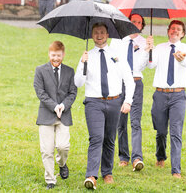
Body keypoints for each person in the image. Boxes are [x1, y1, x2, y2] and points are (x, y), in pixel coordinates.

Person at [74, 23, 135, 190]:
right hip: (94, 102)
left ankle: (107, 173)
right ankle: (91, 176)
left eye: (102, 32)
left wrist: (128, 100)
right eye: (95, 33)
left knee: (109, 139)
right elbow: (78, 82)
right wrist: (81, 63)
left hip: (115, 101)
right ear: (92, 35)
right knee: (96, 138)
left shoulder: (117, 55)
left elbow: (129, 79)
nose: (99, 35)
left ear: (107, 34)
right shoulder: (88, 55)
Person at [144, 20, 186, 179]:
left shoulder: (185, 48)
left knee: (176, 132)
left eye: (178, 29)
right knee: (161, 130)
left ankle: (176, 169)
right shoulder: (160, 48)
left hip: (178, 95)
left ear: (183, 33)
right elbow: (151, 65)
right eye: (172, 29)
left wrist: (181, 59)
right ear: (168, 31)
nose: (175, 31)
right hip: (160, 94)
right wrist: (149, 49)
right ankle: (160, 156)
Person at [33, 41, 77, 190]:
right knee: (47, 150)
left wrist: (63, 106)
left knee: (63, 146)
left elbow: (72, 92)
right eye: (53, 55)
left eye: (59, 55)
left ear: (63, 55)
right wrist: (54, 106)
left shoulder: (70, 72)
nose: (56, 58)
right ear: (49, 54)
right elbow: (40, 92)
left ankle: (62, 164)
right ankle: (50, 179)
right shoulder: (40, 70)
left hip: (63, 115)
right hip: (46, 114)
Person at [109, 14, 147, 171]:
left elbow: (142, 66)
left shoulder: (144, 42)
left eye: (139, 22)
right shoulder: (117, 40)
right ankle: (123, 156)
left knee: (136, 121)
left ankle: (137, 157)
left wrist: (147, 51)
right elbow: (112, 59)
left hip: (136, 82)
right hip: (121, 83)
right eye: (133, 21)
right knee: (121, 122)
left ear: (142, 25)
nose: (136, 24)